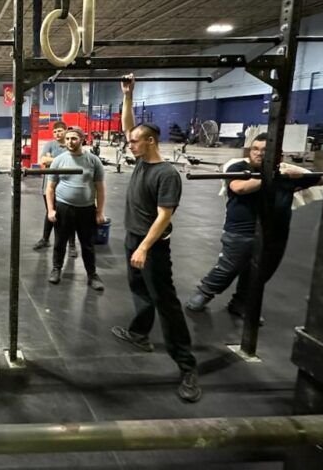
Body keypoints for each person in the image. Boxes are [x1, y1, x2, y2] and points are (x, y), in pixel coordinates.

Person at [111, 74, 201, 403]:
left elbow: (164, 216)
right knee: (139, 289)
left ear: (150, 141)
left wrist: (144, 247)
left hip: (152, 246)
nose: (129, 145)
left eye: (135, 142)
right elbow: (128, 126)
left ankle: (187, 366)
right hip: (133, 238)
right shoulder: (140, 161)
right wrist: (128, 96)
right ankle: (139, 333)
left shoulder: (166, 174)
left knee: (166, 302)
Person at [185, 133, 323, 317]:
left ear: (279, 155)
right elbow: (239, 187)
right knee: (229, 268)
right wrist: (275, 177)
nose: (259, 153)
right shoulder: (239, 168)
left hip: (276, 233)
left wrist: (300, 175)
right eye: (255, 149)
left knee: (260, 273)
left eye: (265, 150)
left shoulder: (287, 173)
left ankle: (240, 303)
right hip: (241, 232)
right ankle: (204, 293)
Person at [45, 127, 107, 290]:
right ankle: (56, 269)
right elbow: (50, 187)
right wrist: (51, 210)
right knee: (60, 242)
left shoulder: (93, 160)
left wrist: (100, 212)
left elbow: (100, 188)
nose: (70, 142)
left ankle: (92, 274)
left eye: (73, 139)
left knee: (88, 244)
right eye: (67, 139)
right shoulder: (59, 160)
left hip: (86, 209)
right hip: (64, 207)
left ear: (82, 139)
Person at [33, 121, 76, 258]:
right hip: (49, 185)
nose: (57, 134)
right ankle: (45, 239)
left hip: (67, 186)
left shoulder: (70, 145)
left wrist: (52, 159)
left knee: (69, 215)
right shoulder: (50, 145)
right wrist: (62, 160)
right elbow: (43, 160)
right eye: (55, 132)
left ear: (65, 131)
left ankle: (72, 245)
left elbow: (74, 160)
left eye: (60, 131)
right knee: (50, 212)